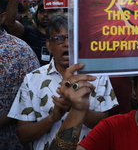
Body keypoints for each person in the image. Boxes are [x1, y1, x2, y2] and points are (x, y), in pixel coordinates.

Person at [7, 13, 118, 149]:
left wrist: (77, 106)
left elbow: (105, 125)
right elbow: (23, 136)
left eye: (72, 38)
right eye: (59, 39)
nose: (66, 43)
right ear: (48, 45)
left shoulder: (97, 76)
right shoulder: (32, 80)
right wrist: (52, 118)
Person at [0, 0, 40, 150]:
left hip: (10, 141)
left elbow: (35, 94)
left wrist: (6, 118)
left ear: (2, 17)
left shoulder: (20, 51)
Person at [5, 0, 58, 66]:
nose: (45, 14)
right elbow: (10, 22)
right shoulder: (29, 33)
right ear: (36, 15)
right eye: (42, 12)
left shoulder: (63, 37)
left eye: (50, 12)